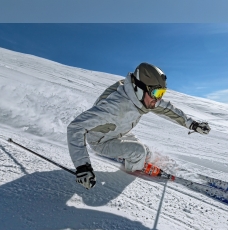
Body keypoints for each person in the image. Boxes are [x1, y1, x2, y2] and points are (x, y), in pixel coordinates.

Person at [67, 63, 211, 189]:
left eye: (162, 93)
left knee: (146, 151)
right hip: (100, 141)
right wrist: (82, 166)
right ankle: (134, 170)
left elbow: (168, 109)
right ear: (139, 88)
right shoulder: (115, 105)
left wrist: (193, 124)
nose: (158, 99)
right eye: (156, 92)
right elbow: (75, 127)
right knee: (139, 152)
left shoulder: (144, 97)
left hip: (118, 132)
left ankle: (135, 158)